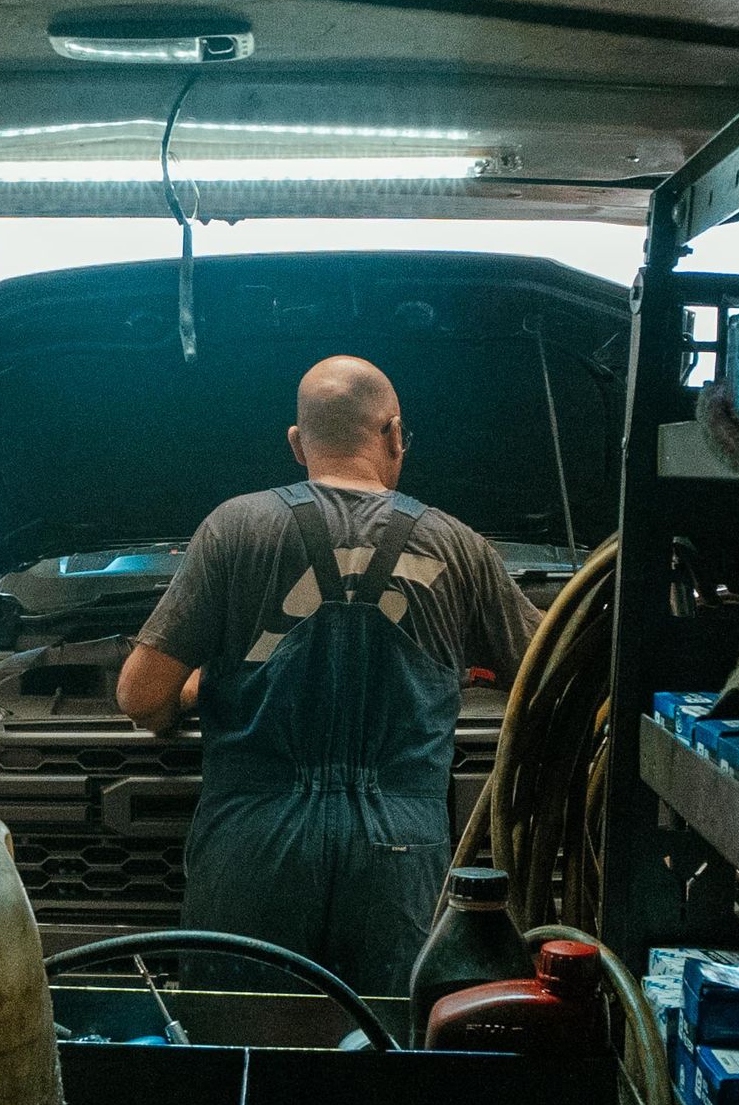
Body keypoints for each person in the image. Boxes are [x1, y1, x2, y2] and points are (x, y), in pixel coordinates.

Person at [113, 355, 542, 998]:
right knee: (387, 1057)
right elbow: (555, 678)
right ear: (395, 433)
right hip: (400, 854)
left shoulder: (235, 528)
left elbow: (141, 698)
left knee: (241, 1058)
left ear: (296, 442)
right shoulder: (459, 545)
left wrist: (205, 689)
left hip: (253, 849)